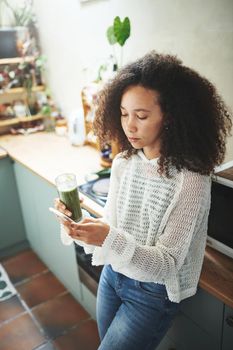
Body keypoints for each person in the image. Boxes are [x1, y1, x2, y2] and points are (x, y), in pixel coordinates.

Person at [54, 51, 232, 350]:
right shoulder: (125, 162)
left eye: (142, 115)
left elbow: (167, 265)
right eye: (124, 113)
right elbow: (112, 226)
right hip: (112, 276)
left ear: (170, 117)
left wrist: (108, 237)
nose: (129, 126)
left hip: (151, 295)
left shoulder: (191, 180)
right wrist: (81, 226)